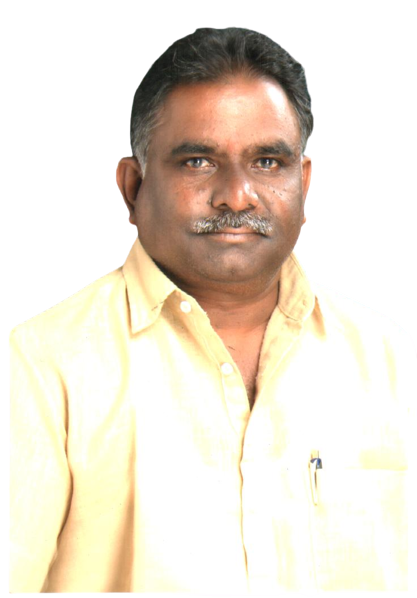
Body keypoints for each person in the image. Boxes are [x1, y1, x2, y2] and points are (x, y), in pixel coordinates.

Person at [8, 27, 416, 595]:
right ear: (132, 188)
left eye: (268, 161)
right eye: (198, 161)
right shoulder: (41, 365)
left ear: (304, 184)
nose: (237, 194)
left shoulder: (389, 355)